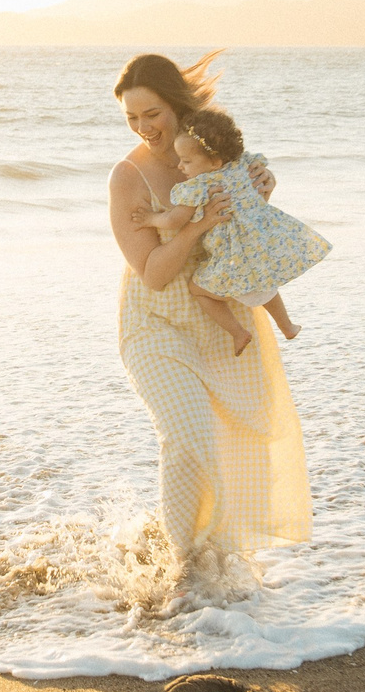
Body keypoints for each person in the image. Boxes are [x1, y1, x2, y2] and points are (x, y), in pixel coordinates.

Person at [107, 53, 311, 579]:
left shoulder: (212, 154)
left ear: (177, 106)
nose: (144, 127)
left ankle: (216, 564)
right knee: (186, 435)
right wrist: (197, 226)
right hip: (156, 323)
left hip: (221, 317)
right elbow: (154, 273)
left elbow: (250, 223)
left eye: (152, 113)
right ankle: (182, 567)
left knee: (230, 447)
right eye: (132, 117)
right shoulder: (128, 177)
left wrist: (263, 189)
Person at [143, 106, 331, 355]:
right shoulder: (243, 165)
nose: (180, 166)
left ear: (214, 162)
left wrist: (149, 218)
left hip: (234, 256)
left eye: (186, 161)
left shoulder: (202, 185)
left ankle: (238, 332)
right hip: (263, 244)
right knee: (266, 285)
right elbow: (263, 176)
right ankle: (287, 326)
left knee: (198, 290)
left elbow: (174, 220)